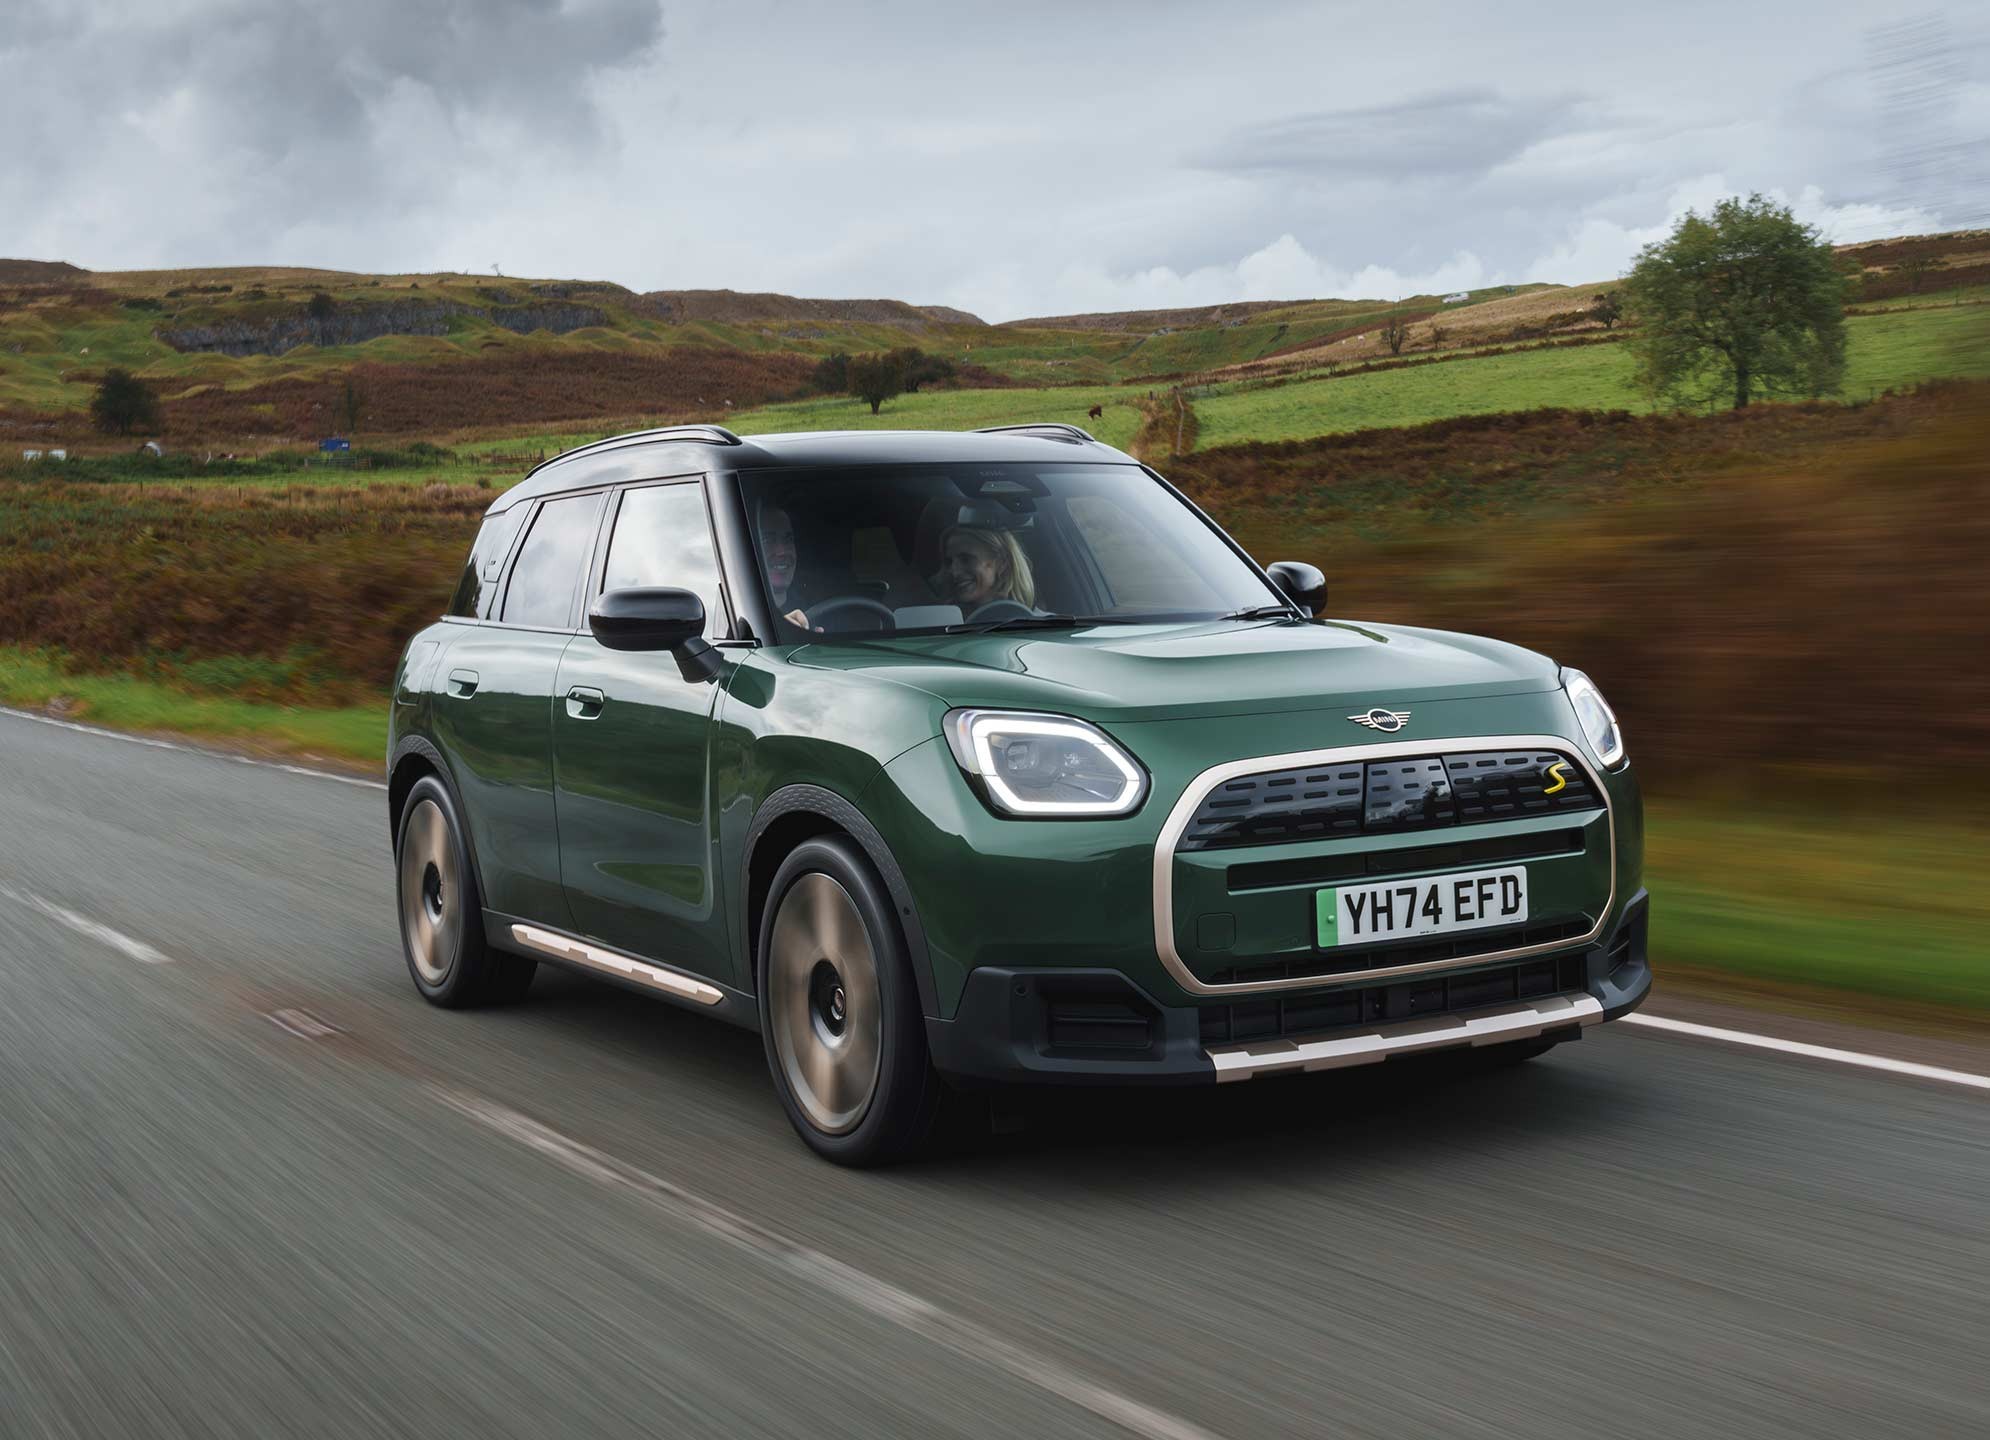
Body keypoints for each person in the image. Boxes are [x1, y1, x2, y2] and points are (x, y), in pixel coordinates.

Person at [935, 525, 1036, 613]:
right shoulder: (941, 625)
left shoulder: (1045, 625)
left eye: (966, 559)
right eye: (949, 562)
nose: (955, 572)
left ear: (1002, 562)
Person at [757, 501, 812, 631]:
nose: (781, 552)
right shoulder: (736, 617)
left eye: (788, 540)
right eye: (767, 540)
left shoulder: (813, 609)